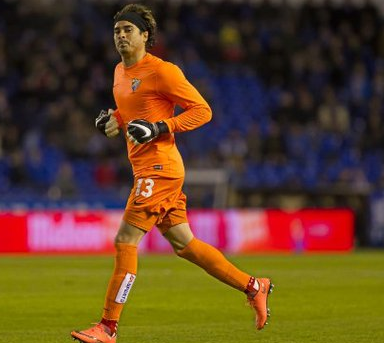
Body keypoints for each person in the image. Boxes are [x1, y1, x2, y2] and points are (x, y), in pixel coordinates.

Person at [71, 4, 274, 343]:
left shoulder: (163, 71)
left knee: (125, 241)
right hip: (147, 169)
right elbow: (129, 111)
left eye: (128, 30)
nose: (121, 36)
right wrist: (113, 121)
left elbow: (202, 111)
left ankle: (108, 327)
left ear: (145, 36)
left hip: (160, 169)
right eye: (117, 30)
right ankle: (254, 286)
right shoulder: (119, 71)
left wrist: (160, 128)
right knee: (185, 244)